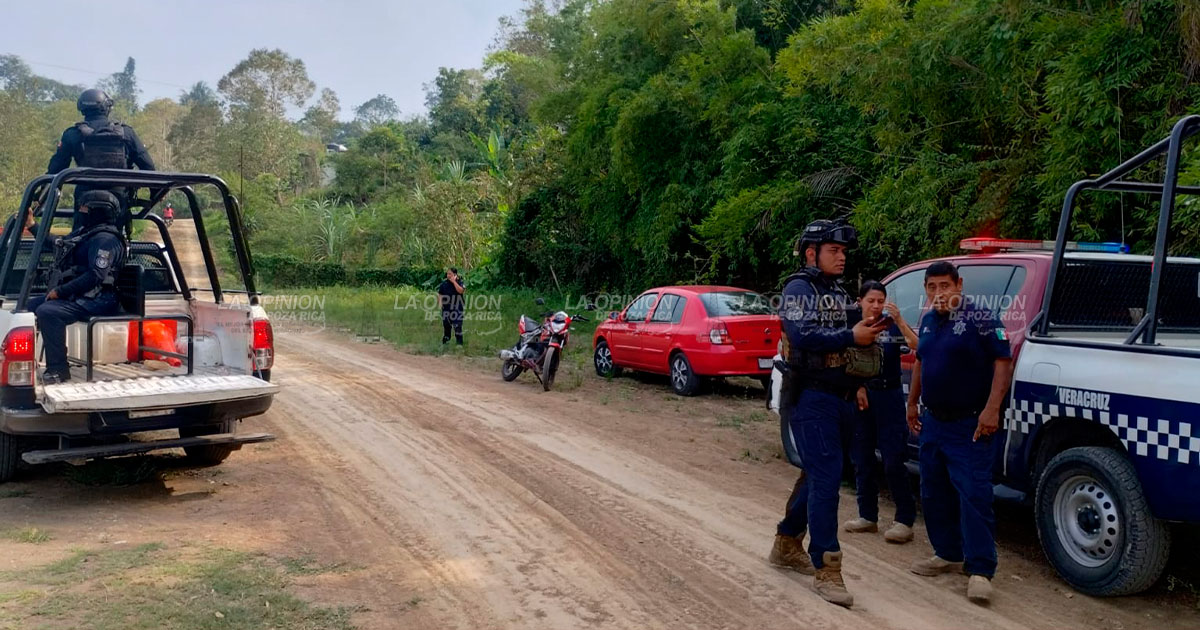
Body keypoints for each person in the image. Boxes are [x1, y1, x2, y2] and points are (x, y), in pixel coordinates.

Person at [773, 218, 888, 608]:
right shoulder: (798, 288)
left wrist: (857, 380)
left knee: (821, 472)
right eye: (834, 251)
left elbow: (851, 345)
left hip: (840, 397)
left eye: (843, 252)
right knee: (826, 477)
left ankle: (788, 542)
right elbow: (803, 335)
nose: (842, 258)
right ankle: (828, 566)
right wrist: (849, 335)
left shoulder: (837, 291)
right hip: (810, 397)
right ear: (811, 253)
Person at [905, 261, 1013, 605]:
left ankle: (980, 570)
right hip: (933, 422)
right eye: (932, 287)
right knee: (933, 490)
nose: (939, 293)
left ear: (959, 285)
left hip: (970, 425)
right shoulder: (928, 322)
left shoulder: (980, 319)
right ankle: (947, 553)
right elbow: (921, 361)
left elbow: (1002, 361)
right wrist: (912, 403)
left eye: (944, 286)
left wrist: (992, 409)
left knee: (973, 494)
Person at [843, 281, 918, 544]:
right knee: (861, 457)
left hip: (890, 396)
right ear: (859, 301)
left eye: (880, 301)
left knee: (893, 459)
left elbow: (916, 345)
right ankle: (867, 516)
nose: (875, 306)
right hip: (862, 396)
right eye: (871, 300)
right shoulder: (852, 327)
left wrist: (899, 320)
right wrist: (857, 387)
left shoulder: (890, 326)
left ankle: (904, 520)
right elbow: (844, 362)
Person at [27, 190, 127, 384]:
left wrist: (60, 291)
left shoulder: (105, 240)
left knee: (48, 311)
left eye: (84, 208)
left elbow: (96, 276)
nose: (80, 212)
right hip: (83, 296)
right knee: (30, 307)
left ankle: (58, 370)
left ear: (98, 211)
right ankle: (27, 364)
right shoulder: (86, 233)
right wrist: (32, 226)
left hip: (100, 299)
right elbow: (59, 244)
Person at [438, 268, 465, 345]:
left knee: (457, 326)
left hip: (457, 308)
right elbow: (440, 294)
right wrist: (440, 305)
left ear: (455, 275)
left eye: (450, 274)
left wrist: (454, 282)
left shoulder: (460, 282)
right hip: (446, 308)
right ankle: (445, 343)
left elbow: (461, 291)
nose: (448, 275)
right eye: (447, 274)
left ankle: (459, 345)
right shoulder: (444, 284)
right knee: (446, 326)